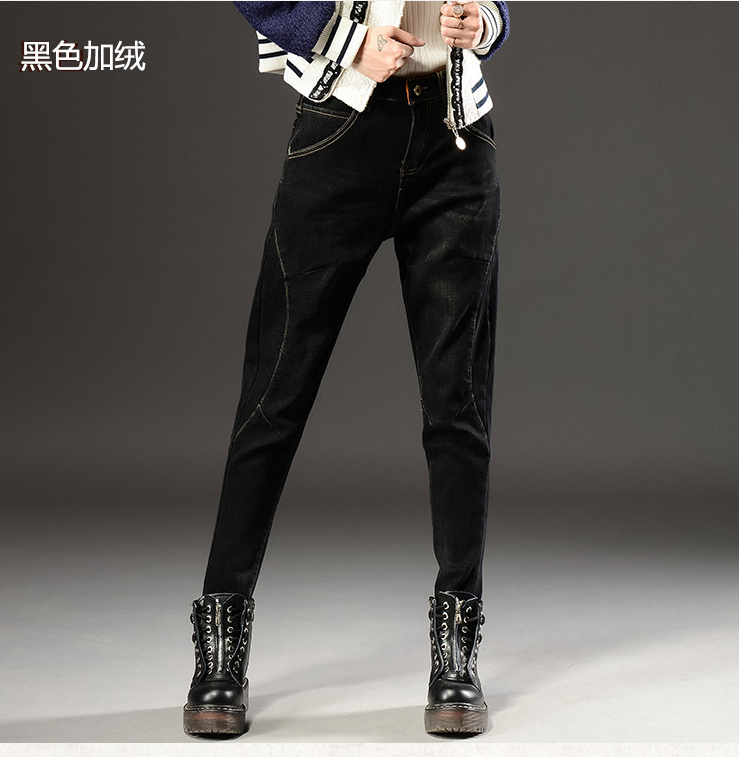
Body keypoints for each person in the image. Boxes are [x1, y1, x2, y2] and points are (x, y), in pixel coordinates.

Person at [183, 0, 510, 739]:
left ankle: (456, 657)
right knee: (274, 396)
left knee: (458, 405)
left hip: (458, 136)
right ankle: (219, 652)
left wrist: (485, 22)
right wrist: (346, 41)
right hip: (343, 125)